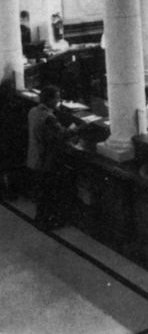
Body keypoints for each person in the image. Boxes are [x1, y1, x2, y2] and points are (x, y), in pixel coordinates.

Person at [27, 85, 84, 229]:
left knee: (42, 193)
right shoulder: (49, 118)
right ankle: (47, 221)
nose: (59, 100)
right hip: (46, 160)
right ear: (49, 99)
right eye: (57, 97)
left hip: (34, 157)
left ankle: (40, 219)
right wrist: (80, 129)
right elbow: (62, 134)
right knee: (49, 192)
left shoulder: (33, 111)